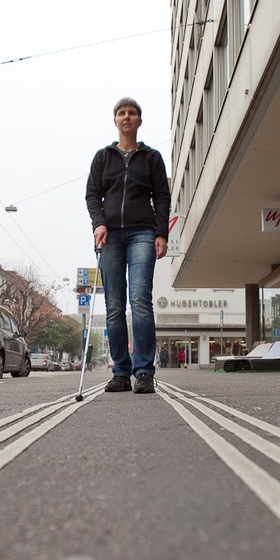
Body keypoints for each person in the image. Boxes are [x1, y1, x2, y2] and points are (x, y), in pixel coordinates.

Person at [86, 97, 171, 394]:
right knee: (113, 307)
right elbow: (92, 195)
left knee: (140, 301)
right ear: (115, 121)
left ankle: (144, 371)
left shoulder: (152, 158)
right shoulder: (103, 157)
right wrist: (98, 222)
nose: (126, 117)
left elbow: (162, 197)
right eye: (121, 113)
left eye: (131, 113)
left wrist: (162, 233)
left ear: (139, 121)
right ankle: (121, 371)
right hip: (110, 235)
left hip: (142, 234)